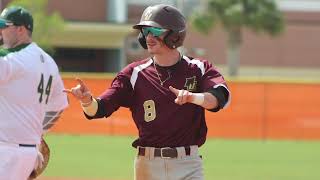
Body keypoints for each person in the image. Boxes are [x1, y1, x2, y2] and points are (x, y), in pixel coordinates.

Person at [65, 4, 230, 180]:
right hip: (148, 166)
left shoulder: (198, 68)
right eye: (145, 31)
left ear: (174, 34)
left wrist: (192, 97)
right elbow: (100, 109)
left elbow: (219, 97)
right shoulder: (134, 73)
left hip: (188, 164)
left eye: (155, 31)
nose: (149, 37)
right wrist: (87, 101)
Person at [0, 6, 68, 180]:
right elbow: (58, 107)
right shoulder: (48, 62)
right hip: (28, 152)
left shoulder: (13, 59)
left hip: (7, 152)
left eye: (4, 27)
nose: (1, 32)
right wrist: (37, 133)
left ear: (20, 29)